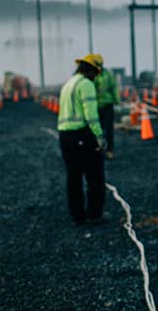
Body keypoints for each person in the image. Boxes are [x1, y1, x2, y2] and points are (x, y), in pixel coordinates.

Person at [58, 54, 106, 225]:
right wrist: (99, 137)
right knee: (94, 176)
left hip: (65, 136)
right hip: (82, 135)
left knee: (74, 177)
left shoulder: (69, 83)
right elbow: (91, 115)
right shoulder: (86, 85)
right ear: (93, 70)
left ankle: (77, 216)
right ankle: (94, 214)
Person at [91, 53, 120, 159]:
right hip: (95, 106)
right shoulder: (92, 75)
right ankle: (98, 150)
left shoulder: (108, 74)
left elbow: (114, 87)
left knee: (108, 129)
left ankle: (109, 150)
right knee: (97, 129)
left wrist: (117, 100)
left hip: (107, 105)